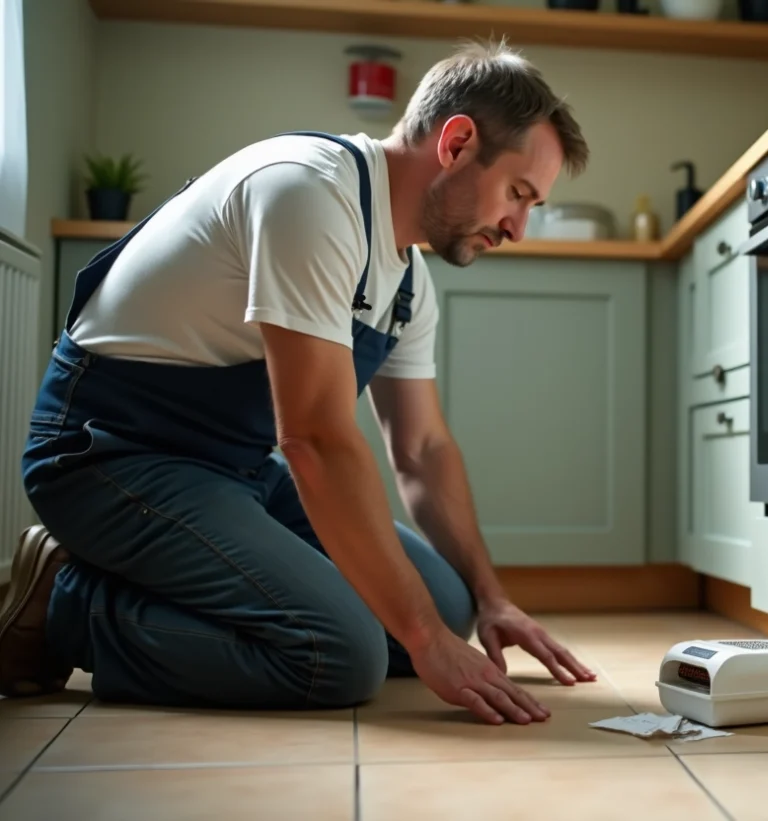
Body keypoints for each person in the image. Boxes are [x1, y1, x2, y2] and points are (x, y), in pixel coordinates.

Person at [0, 40, 597, 726]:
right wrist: (423, 638)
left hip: (235, 471)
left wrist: (491, 597)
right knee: (337, 653)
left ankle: (162, 573)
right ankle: (62, 603)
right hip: (109, 455)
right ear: (457, 143)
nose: (520, 227)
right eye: (519, 194)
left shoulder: (406, 282)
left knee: (449, 604)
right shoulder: (307, 194)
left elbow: (422, 449)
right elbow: (312, 437)